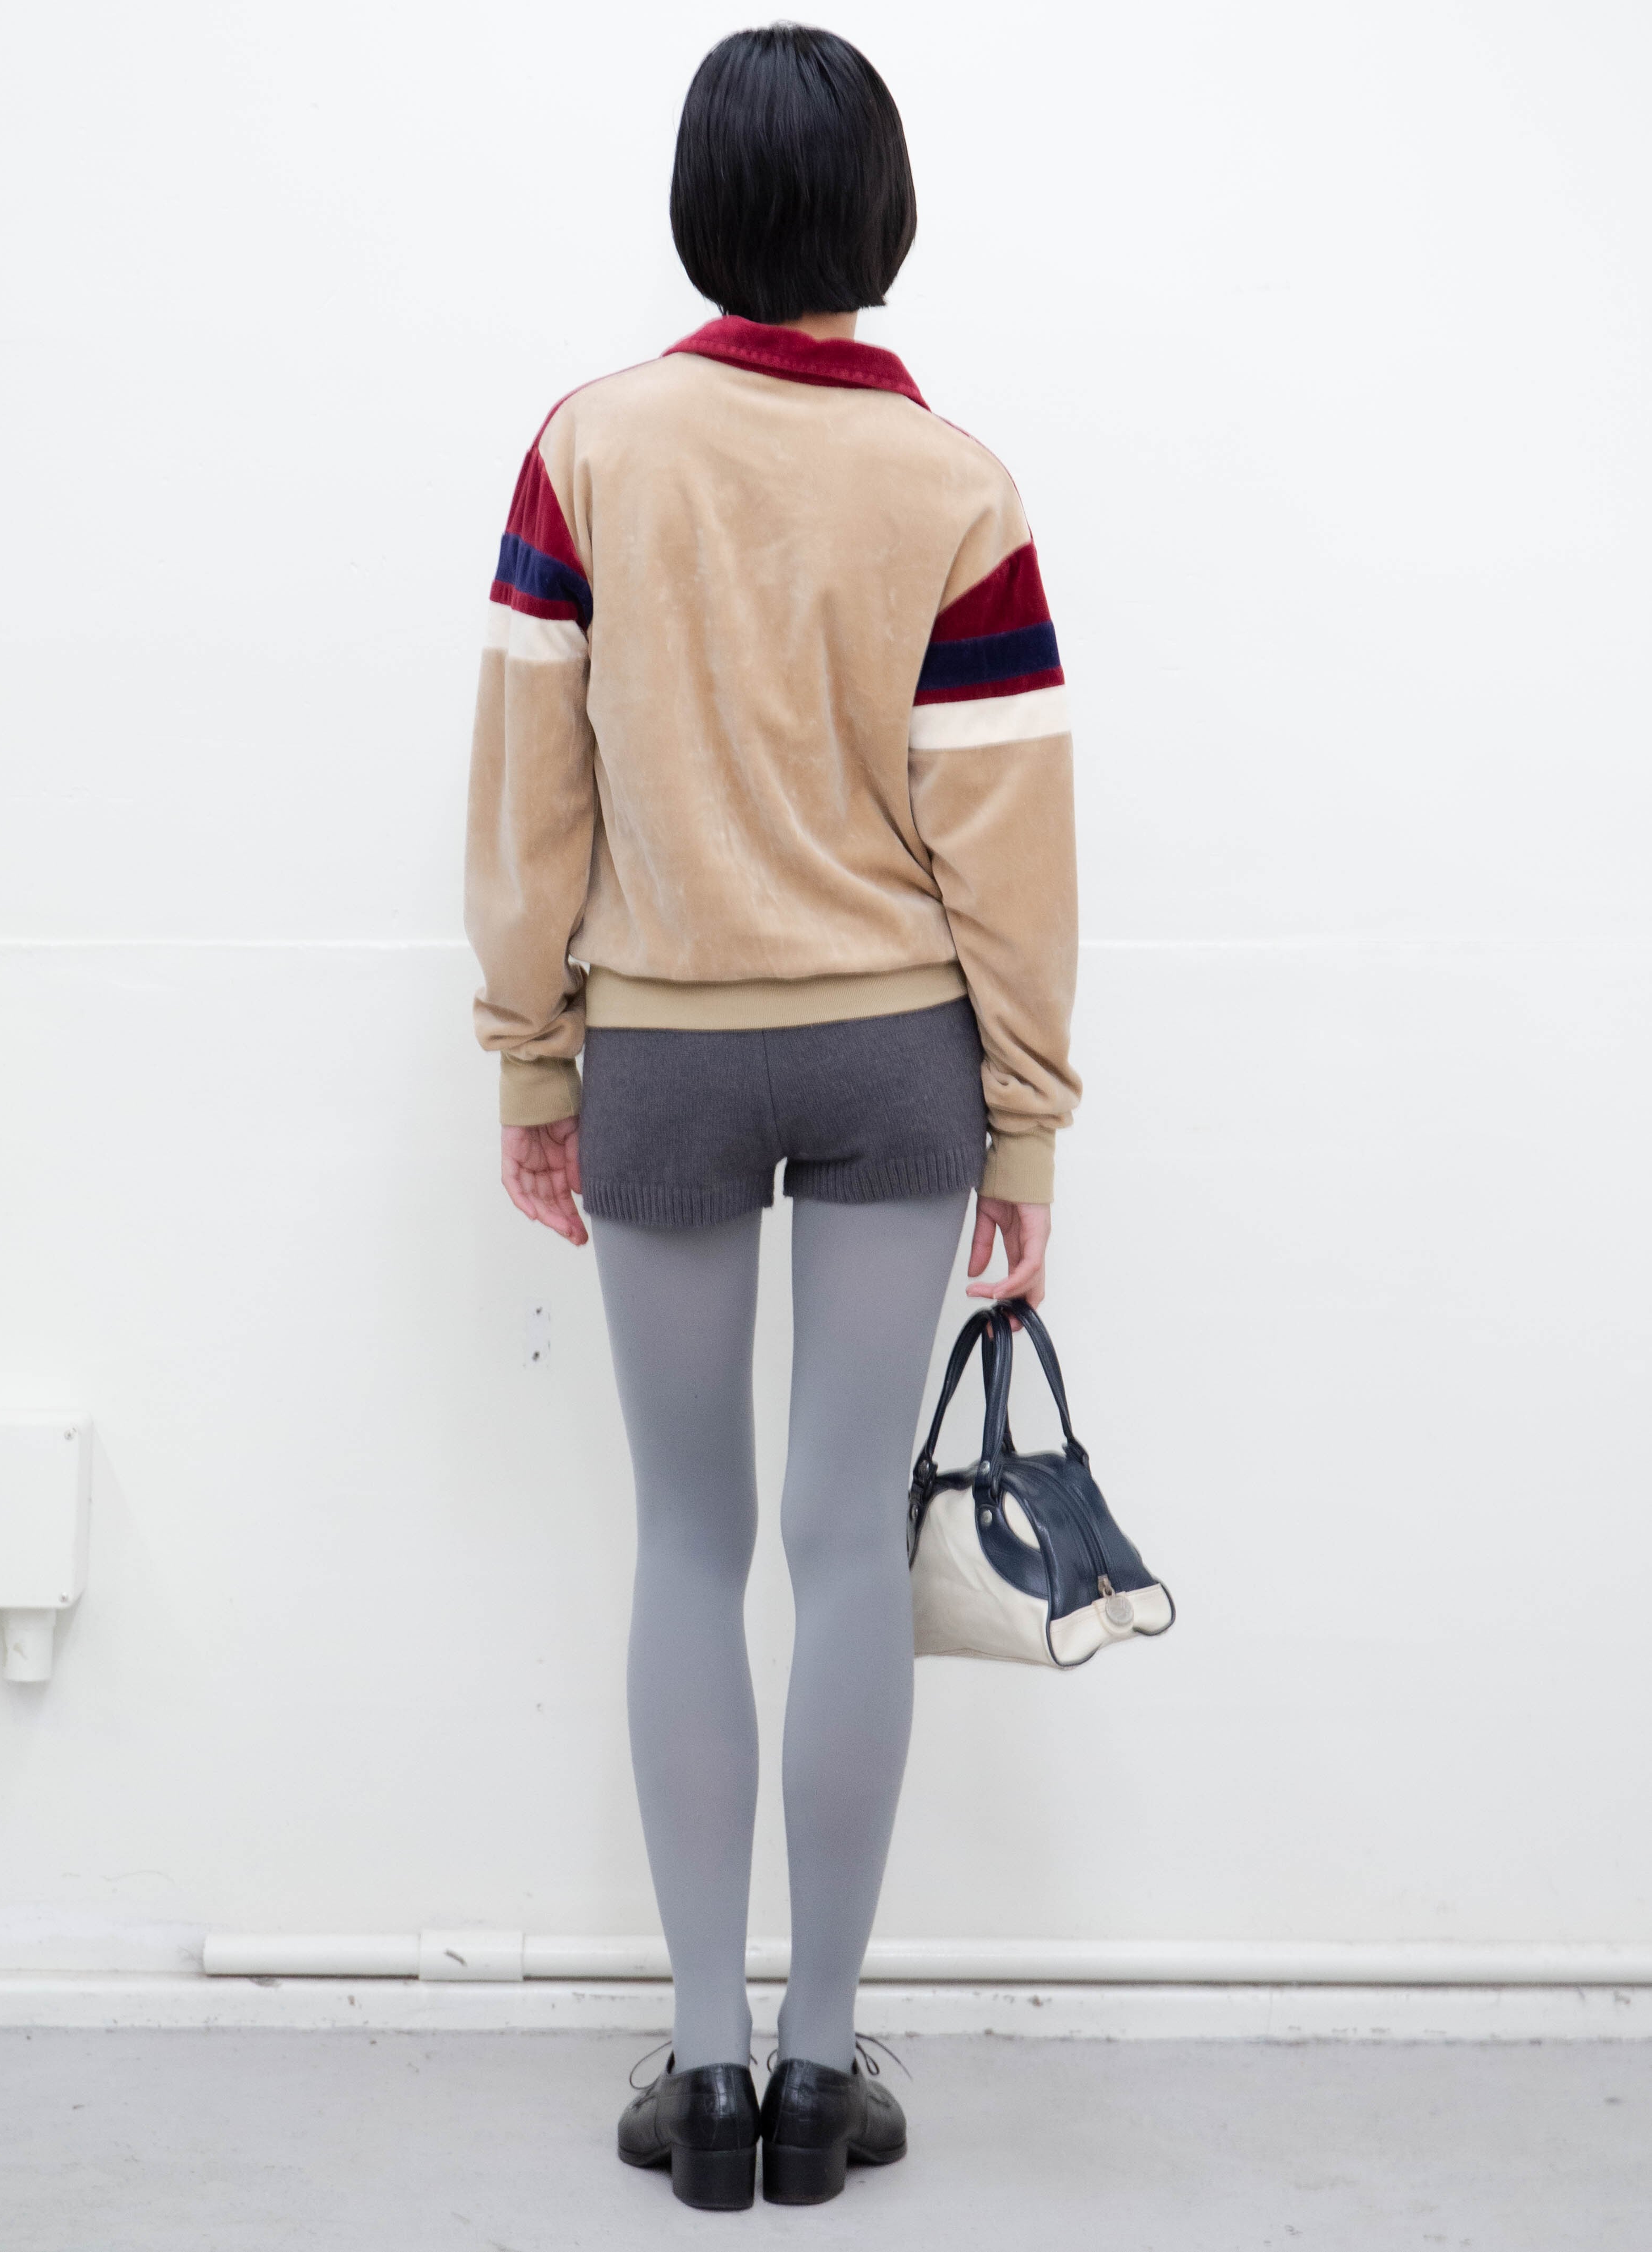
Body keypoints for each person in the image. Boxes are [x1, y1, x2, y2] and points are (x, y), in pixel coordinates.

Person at [464, 23, 1080, 2211]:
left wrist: (531, 1053)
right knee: (839, 1547)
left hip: (660, 1044)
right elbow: (1004, 830)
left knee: (685, 1539)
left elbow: (529, 787)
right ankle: (825, 2066)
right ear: (882, 212)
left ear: (696, 207)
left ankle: (706, 2070)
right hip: (892, 1045)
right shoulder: (953, 485)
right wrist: (1026, 1119)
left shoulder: (589, 449)